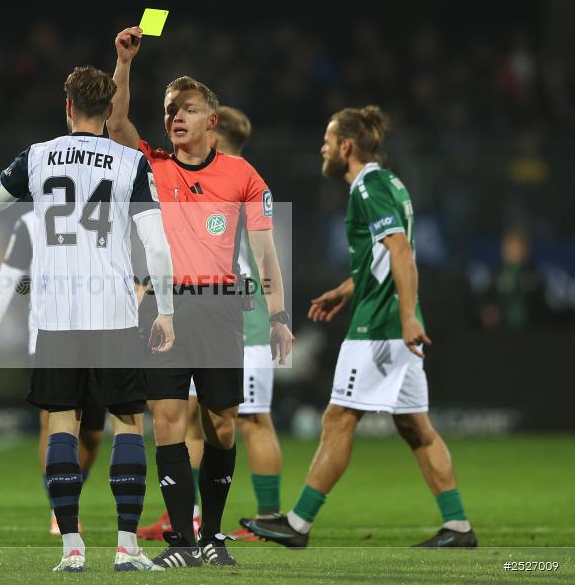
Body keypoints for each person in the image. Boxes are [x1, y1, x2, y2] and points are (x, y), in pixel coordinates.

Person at [0, 65, 175, 572]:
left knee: (61, 425)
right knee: (128, 424)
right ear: (110, 111)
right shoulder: (132, 162)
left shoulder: (38, 157)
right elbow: (156, 243)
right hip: (113, 310)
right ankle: (128, 548)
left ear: (67, 107)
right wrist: (167, 310)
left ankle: (71, 549)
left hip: (57, 315)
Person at [243, 105, 477, 548]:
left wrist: (406, 318)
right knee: (416, 428)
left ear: (346, 147)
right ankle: (458, 525)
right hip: (389, 320)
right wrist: (348, 289)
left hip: (380, 329)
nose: (323, 148)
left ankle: (297, 523)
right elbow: (385, 256)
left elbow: (402, 251)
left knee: (338, 417)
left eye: (329, 141)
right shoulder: (392, 184)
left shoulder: (367, 187)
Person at [108, 28, 294, 568]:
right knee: (167, 420)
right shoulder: (153, 165)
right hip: (165, 307)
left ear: (212, 120)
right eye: (169, 109)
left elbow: (264, 254)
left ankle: (211, 535)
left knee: (222, 423)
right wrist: (124, 63)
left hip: (219, 306)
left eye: (186, 109)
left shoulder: (242, 175)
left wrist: (278, 314)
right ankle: (184, 544)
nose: (174, 117)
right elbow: (117, 122)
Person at [137, 107, 284, 542]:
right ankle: (186, 519)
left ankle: (270, 518)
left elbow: (258, 256)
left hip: (242, 318)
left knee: (251, 420)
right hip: (206, 314)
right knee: (190, 419)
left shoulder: (236, 182)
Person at [0, 209, 106, 535]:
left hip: (102, 332)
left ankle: (70, 491)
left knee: (92, 432)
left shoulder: (104, 217)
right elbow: (5, 276)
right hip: (50, 334)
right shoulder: (32, 223)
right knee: (54, 420)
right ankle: (59, 507)